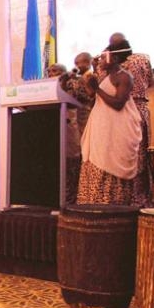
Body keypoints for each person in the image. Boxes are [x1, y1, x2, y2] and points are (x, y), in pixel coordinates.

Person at [77, 40, 142, 205]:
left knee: (107, 162)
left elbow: (119, 103)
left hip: (116, 130)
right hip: (102, 129)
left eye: (104, 55)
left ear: (115, 57)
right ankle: (92, 206)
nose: (100, 58)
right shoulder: (106, 76)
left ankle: (110, 207)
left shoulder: (124, 76)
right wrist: (92, 87)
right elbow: (96, 99)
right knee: (95, 162)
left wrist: (97, 89)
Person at [110, 32, 154, 206]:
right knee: (141, 154)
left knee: (123, 155)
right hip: (140, 109)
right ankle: (140, 200)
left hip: (120, 112)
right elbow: (152, 81)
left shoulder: (109, 65)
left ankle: (124, 199)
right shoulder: (143, 60)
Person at [60, 53, 97, 205]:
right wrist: (64, 81)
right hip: (74, 123)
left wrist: (73, 83)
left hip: (87, 119)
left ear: (88, 63)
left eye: (80, 63)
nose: (77, 66)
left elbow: (86, 96)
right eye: (75, 62)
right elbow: (65, 96)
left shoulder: (92, 78)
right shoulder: (74, 79)